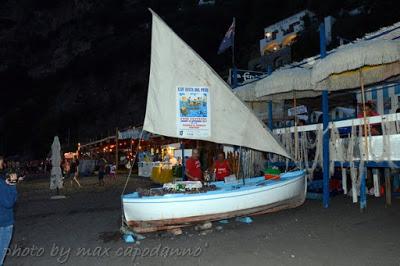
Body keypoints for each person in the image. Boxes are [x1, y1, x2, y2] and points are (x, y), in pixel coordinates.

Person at [0, 156, 18, 266]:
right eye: (1, 164)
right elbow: (8, 202)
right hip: (3, 223)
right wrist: (12, 186)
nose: (2, 167)